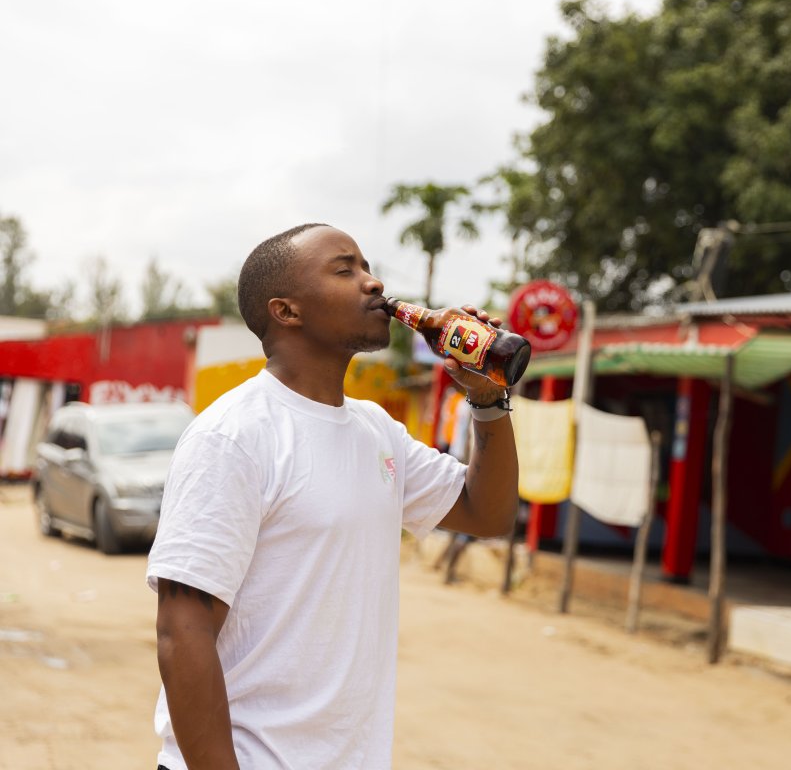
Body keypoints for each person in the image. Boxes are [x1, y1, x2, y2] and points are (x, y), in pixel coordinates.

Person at [146, 223, 518, 769]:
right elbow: (183, 633)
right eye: (345, 270)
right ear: (286, 311)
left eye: (367, 267)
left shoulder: (377, 430)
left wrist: (488, 401)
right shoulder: (234, 435)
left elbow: (488, 513)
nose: (373, 284)